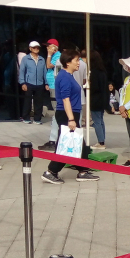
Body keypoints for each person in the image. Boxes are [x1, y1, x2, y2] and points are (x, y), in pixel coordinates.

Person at [41, 47, 99, 185]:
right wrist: (71, 119)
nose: (79, 63)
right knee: (67, 144)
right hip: (67, 114)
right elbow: (65, 99)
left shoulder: (68, 75)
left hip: (71, 113)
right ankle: (51, 171)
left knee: (78, 143)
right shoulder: (65, 77)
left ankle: (83, 171)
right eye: (76, 60)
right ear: (68, 62)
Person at [19, 41, 48, 124]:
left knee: (39, 102)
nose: (36, 49)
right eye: (34, 47)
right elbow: (22, 71)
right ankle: (26, 118)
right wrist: (22, 83)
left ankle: (37, 119)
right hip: (29, 83)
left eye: (37, 47)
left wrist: (46, 83)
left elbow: (44, 72)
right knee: (27, 102)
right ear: (30, 48)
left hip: (40, 83)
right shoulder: (25, 58)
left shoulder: (42, 59)